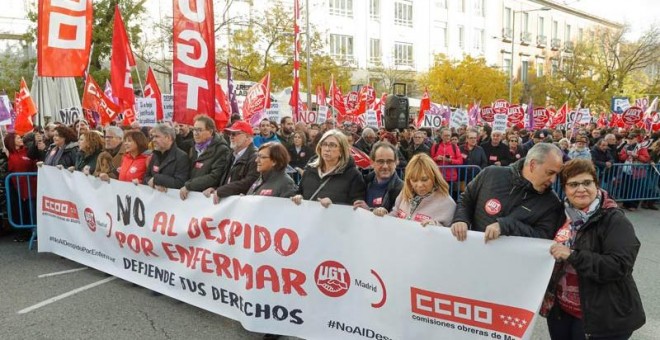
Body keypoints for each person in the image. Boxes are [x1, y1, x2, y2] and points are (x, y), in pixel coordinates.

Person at [541, 159, 645, 340]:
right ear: (564, 189)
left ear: (596, 185)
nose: (581, 189)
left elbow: (619, 266)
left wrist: (573, 255)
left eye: (587, 183)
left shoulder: (614, 219)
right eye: (573, 184)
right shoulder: (560, 214)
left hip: (601, 316)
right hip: (561, 310)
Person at [450, 143, 565, 242]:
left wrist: (506, 226)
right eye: (550, 172)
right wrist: (461, 219)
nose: (553, 180)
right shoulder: (491, 174)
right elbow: (466, 199)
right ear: (533, 165)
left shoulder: (551, 203)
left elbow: (543, 237)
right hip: (475, 254)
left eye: (557, 174)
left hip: (513, 264)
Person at [373, 153, 455, 227]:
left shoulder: (447, 203)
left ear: (434, 177)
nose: (419, 185)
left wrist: (436, 227)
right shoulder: (404, 193)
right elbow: (395, 214)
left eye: (424, 179)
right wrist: (384, 215)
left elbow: (450, 235)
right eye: (414, 180)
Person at [291, 129, 365, 207]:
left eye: (332, 145)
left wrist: (334, 205)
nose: (327, 149)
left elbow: (357, 206)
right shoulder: (310, 169)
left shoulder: (353, 175)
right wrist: (298, 197)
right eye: (324, 144)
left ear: (341, 150)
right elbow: (300, 191)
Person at [204, 121, 259, 203]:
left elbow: (249, 182)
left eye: (235, 134)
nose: (231, 137)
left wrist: (222, 190)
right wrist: (215, 188)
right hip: (229, 203)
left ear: (247, 136)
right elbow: (227, 179)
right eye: (230, 134)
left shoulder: (255, 157)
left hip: (242, 206)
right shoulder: (231, 155)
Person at [179, 115, 231, 200]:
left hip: (206, 199)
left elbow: (215, 176)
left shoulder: (221, 150)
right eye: (194, 130)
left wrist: (189, 185)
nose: (195, 133)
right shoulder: (193, 147)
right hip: (191, 196)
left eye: (199, 130)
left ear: (210, 132)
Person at [3, 132, 38, 242]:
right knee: (26, 211)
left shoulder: (27, 151)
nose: (20, 139)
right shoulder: (11, 156)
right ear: (11, 141)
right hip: (21, 190)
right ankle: (28, 233)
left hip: (32, 188)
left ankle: (35, 232)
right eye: (17, 138)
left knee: (33, 211)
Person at [353, 142, 404, 213]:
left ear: (396, 162)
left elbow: (397, 219)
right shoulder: (363, 182)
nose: (385, 166)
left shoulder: (402, 190)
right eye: (380, 161)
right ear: (372, 163)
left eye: (389, 161)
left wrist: (368, 211)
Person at [144, 124, 190, 192]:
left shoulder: (182, 157)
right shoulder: (155, 155)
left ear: (168, 138)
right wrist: (153, 184)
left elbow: (180, 183)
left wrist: (156, 179)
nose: (153, 140)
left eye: (157, 136)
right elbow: (147, 176)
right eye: (153, 137)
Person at [431, 127, 463, 201]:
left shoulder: (454, 147)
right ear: (441, 136)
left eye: (449, 135)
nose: (447, 137)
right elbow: (430, 160)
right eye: (445, 135)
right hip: (438, 177)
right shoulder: (435, 146)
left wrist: (450, 160)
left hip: (451, 177)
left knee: (449, 198)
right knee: (438, 198)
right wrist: (436, 158)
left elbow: (460, 161)